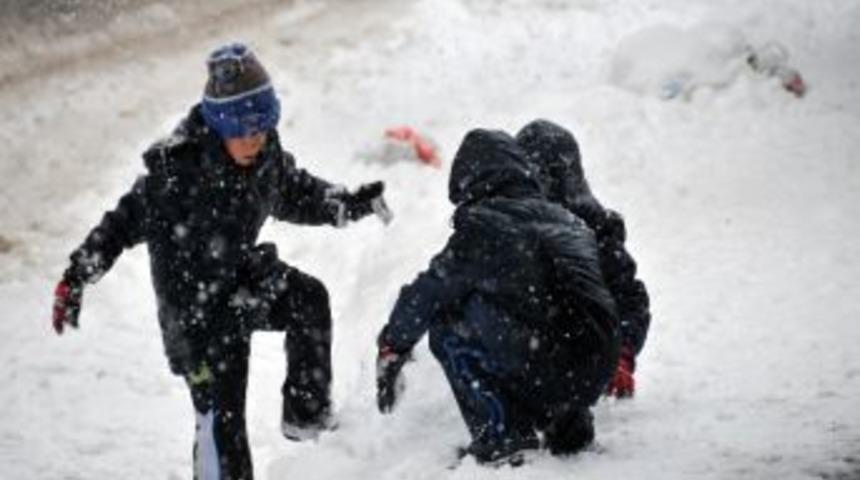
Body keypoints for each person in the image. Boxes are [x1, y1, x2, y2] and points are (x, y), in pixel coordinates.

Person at [51, 43, 390, 480]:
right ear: (219, 125)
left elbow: (295, 191)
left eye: (264, 126)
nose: (256, 139)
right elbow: (119, 224)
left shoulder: (264, 156)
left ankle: (307, 422)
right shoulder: (176, 177)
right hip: (195, 318)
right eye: (245, 130)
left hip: (241, 283)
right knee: (222, 423)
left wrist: (345, 203)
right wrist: (76, 276)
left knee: (308, 298)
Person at [374, 129, 620, 465]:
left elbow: (428, 293)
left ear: (467, 182)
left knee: (449, 321)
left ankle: (504, 434)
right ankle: (568, 423)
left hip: (549, 361)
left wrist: (393, 345)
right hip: (597, 365)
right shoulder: (571, 222)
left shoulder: (485, 224)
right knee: (545, 317)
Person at [515, 119, 652, 399]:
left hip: (578, 359)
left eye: (548, 174)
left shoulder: (594, 230)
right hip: (516, 356)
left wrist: (621, 356)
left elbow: (628, 297)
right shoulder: (505, 221)